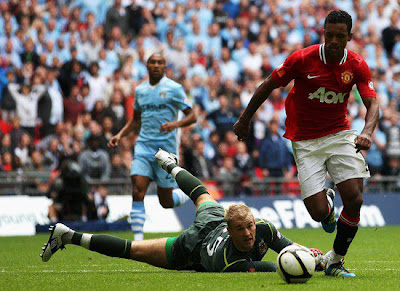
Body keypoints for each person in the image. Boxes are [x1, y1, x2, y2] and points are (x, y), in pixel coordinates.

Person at [233, 10, 379, 277]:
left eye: (340, 36)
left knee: (355, 199)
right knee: (317, 213)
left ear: (349, 37)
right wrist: (245, 119)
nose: (334, 41)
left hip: (339, 134)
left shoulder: (357, 65)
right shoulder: (302, 59)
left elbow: (372, 103)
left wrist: (367, 131)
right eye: (329, 35)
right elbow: (268, 85)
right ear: (323, 33)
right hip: (305, 140)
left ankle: (335, 260)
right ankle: (327, 207)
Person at [41, 149, 324, 272]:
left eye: (249, 225)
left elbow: (288, 247)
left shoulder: (262, 226)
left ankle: (169, 163)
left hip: (213, 220)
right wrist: (311, 265)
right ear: (231, 230)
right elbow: (278, 266)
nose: (249, 233)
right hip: (192, 248)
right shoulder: (233, 262)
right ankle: (69, 236)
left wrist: (313, 254)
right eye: (241, 229)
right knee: (133, 250)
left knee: (202, 194)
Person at [108, 53, 197, 241]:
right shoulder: (140, 91)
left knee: (165, 201)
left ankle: (185, 196)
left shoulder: (174, 89)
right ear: (147, 66)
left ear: (165, 67)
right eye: (152, 62)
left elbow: (192, 116)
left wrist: (174, 125)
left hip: (166, 150)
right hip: (143, 146)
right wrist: (120, 134)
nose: (156, 65)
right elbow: (136, 120)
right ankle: (138, 239)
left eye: (160, 62)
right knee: (137, 188)